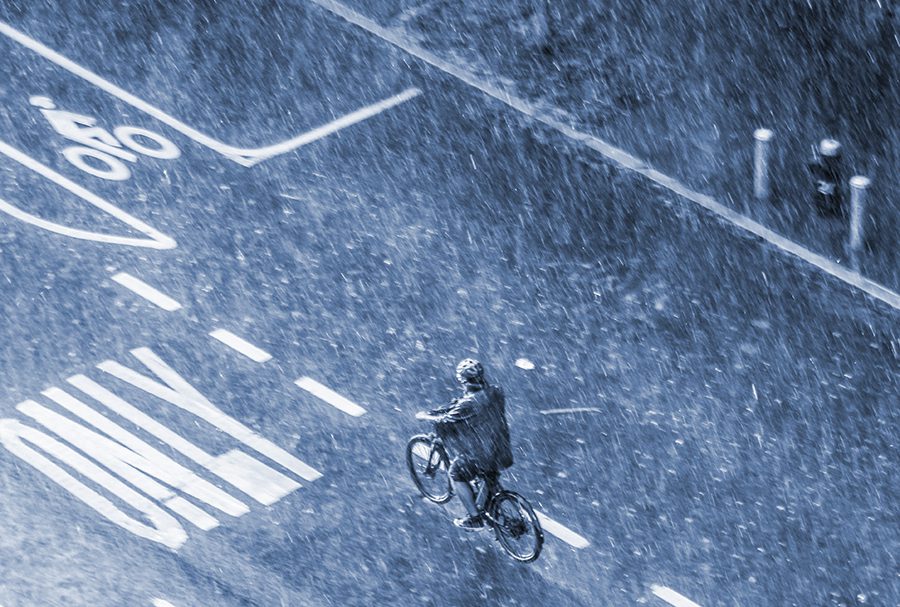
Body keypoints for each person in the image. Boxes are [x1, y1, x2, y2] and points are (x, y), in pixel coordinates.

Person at [429, 359, 514, 530]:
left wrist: (427, 417)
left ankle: (475, 518)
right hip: (503, 451)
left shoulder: (468, 404)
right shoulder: (496, 392)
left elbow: (446, 420)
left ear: (463, 381)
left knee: (456, 473)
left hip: (483, 456)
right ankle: (491, 499)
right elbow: (473, 403)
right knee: (488, 474)